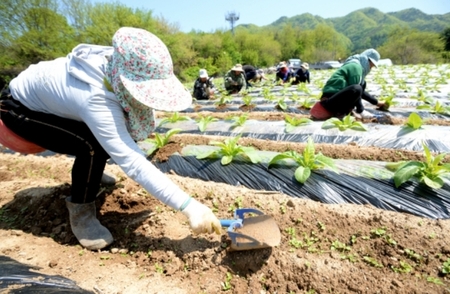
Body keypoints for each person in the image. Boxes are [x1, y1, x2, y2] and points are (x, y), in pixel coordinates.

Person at [0, 27, 221, 250]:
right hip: (18, 109)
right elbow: (132, 162)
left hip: (52, 102)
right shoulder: (95, 99)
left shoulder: (118, 63)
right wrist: (189, 206)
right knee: (93, 147)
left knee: (112, 137)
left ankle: (90, 172)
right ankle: (81, 212)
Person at [310, 48, 386, 120]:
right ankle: (341, 112)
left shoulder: (357, 65)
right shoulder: (356, 67)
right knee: (357, 88)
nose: (370, 68)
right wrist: (361, 110)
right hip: (329, 100)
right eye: (371, 65)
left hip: (336, 98)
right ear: (366, 60)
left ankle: (344, 111)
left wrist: (376, 102)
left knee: (362, 85)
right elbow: (357, 91)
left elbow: (360, 92)